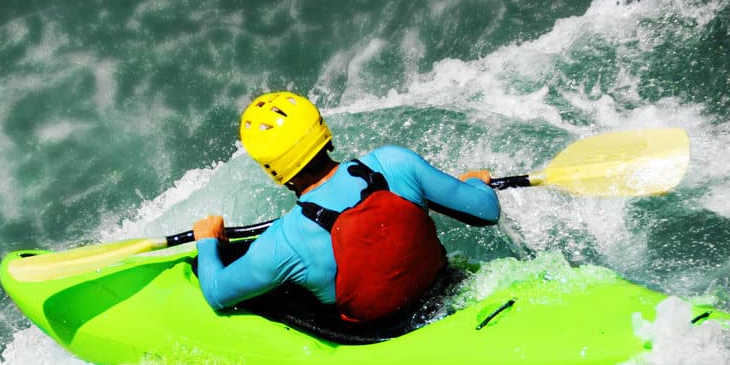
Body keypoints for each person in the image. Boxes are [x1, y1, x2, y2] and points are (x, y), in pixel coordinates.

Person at [193, 91, 500, 324]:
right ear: (323, 131)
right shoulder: (395, 163)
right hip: (450, 292)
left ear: (274, 170)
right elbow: (485, 211)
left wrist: (207, 241)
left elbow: (217, 292)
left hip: (392, 334)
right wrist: (476, 183)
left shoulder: (284, 241)